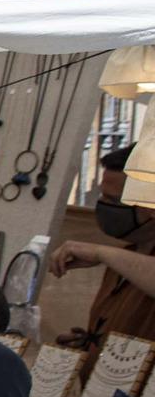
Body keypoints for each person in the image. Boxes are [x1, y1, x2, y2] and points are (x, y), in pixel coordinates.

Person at [49, 144, 155, 347]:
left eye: (113, 200)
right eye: (102, 196)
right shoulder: (125, 257)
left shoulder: (113, 257)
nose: (103, 205)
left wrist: (100, 253)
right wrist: (91, 345)